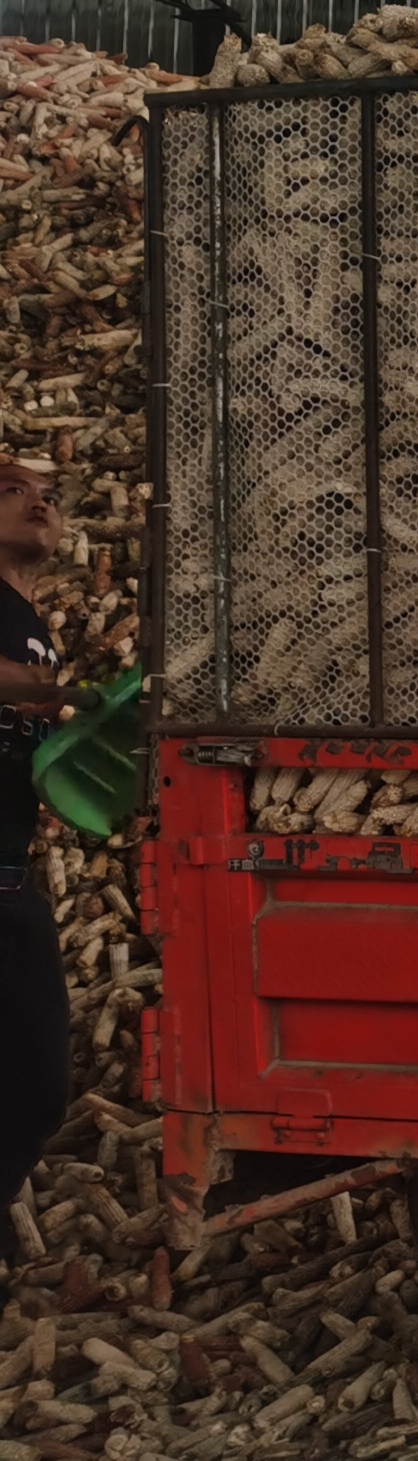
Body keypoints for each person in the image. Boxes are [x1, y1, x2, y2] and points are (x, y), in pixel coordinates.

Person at [0, 457, 86, 1197]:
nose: (40, 504)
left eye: (49, 496)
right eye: (13, 490)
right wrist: (43, 687)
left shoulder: (30, 624)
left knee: (34, 1090)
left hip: (10, 881)